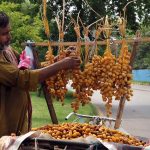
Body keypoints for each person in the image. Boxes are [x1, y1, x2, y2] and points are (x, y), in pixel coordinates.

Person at [0, 11, 80, 137]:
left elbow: (28, 70)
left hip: (16, 125)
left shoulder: (7, 50)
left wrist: (58, 60)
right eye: (4, 34)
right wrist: (62, 65)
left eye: (9, 32)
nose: (9, 37)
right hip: (3, 128)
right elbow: (23, 78)